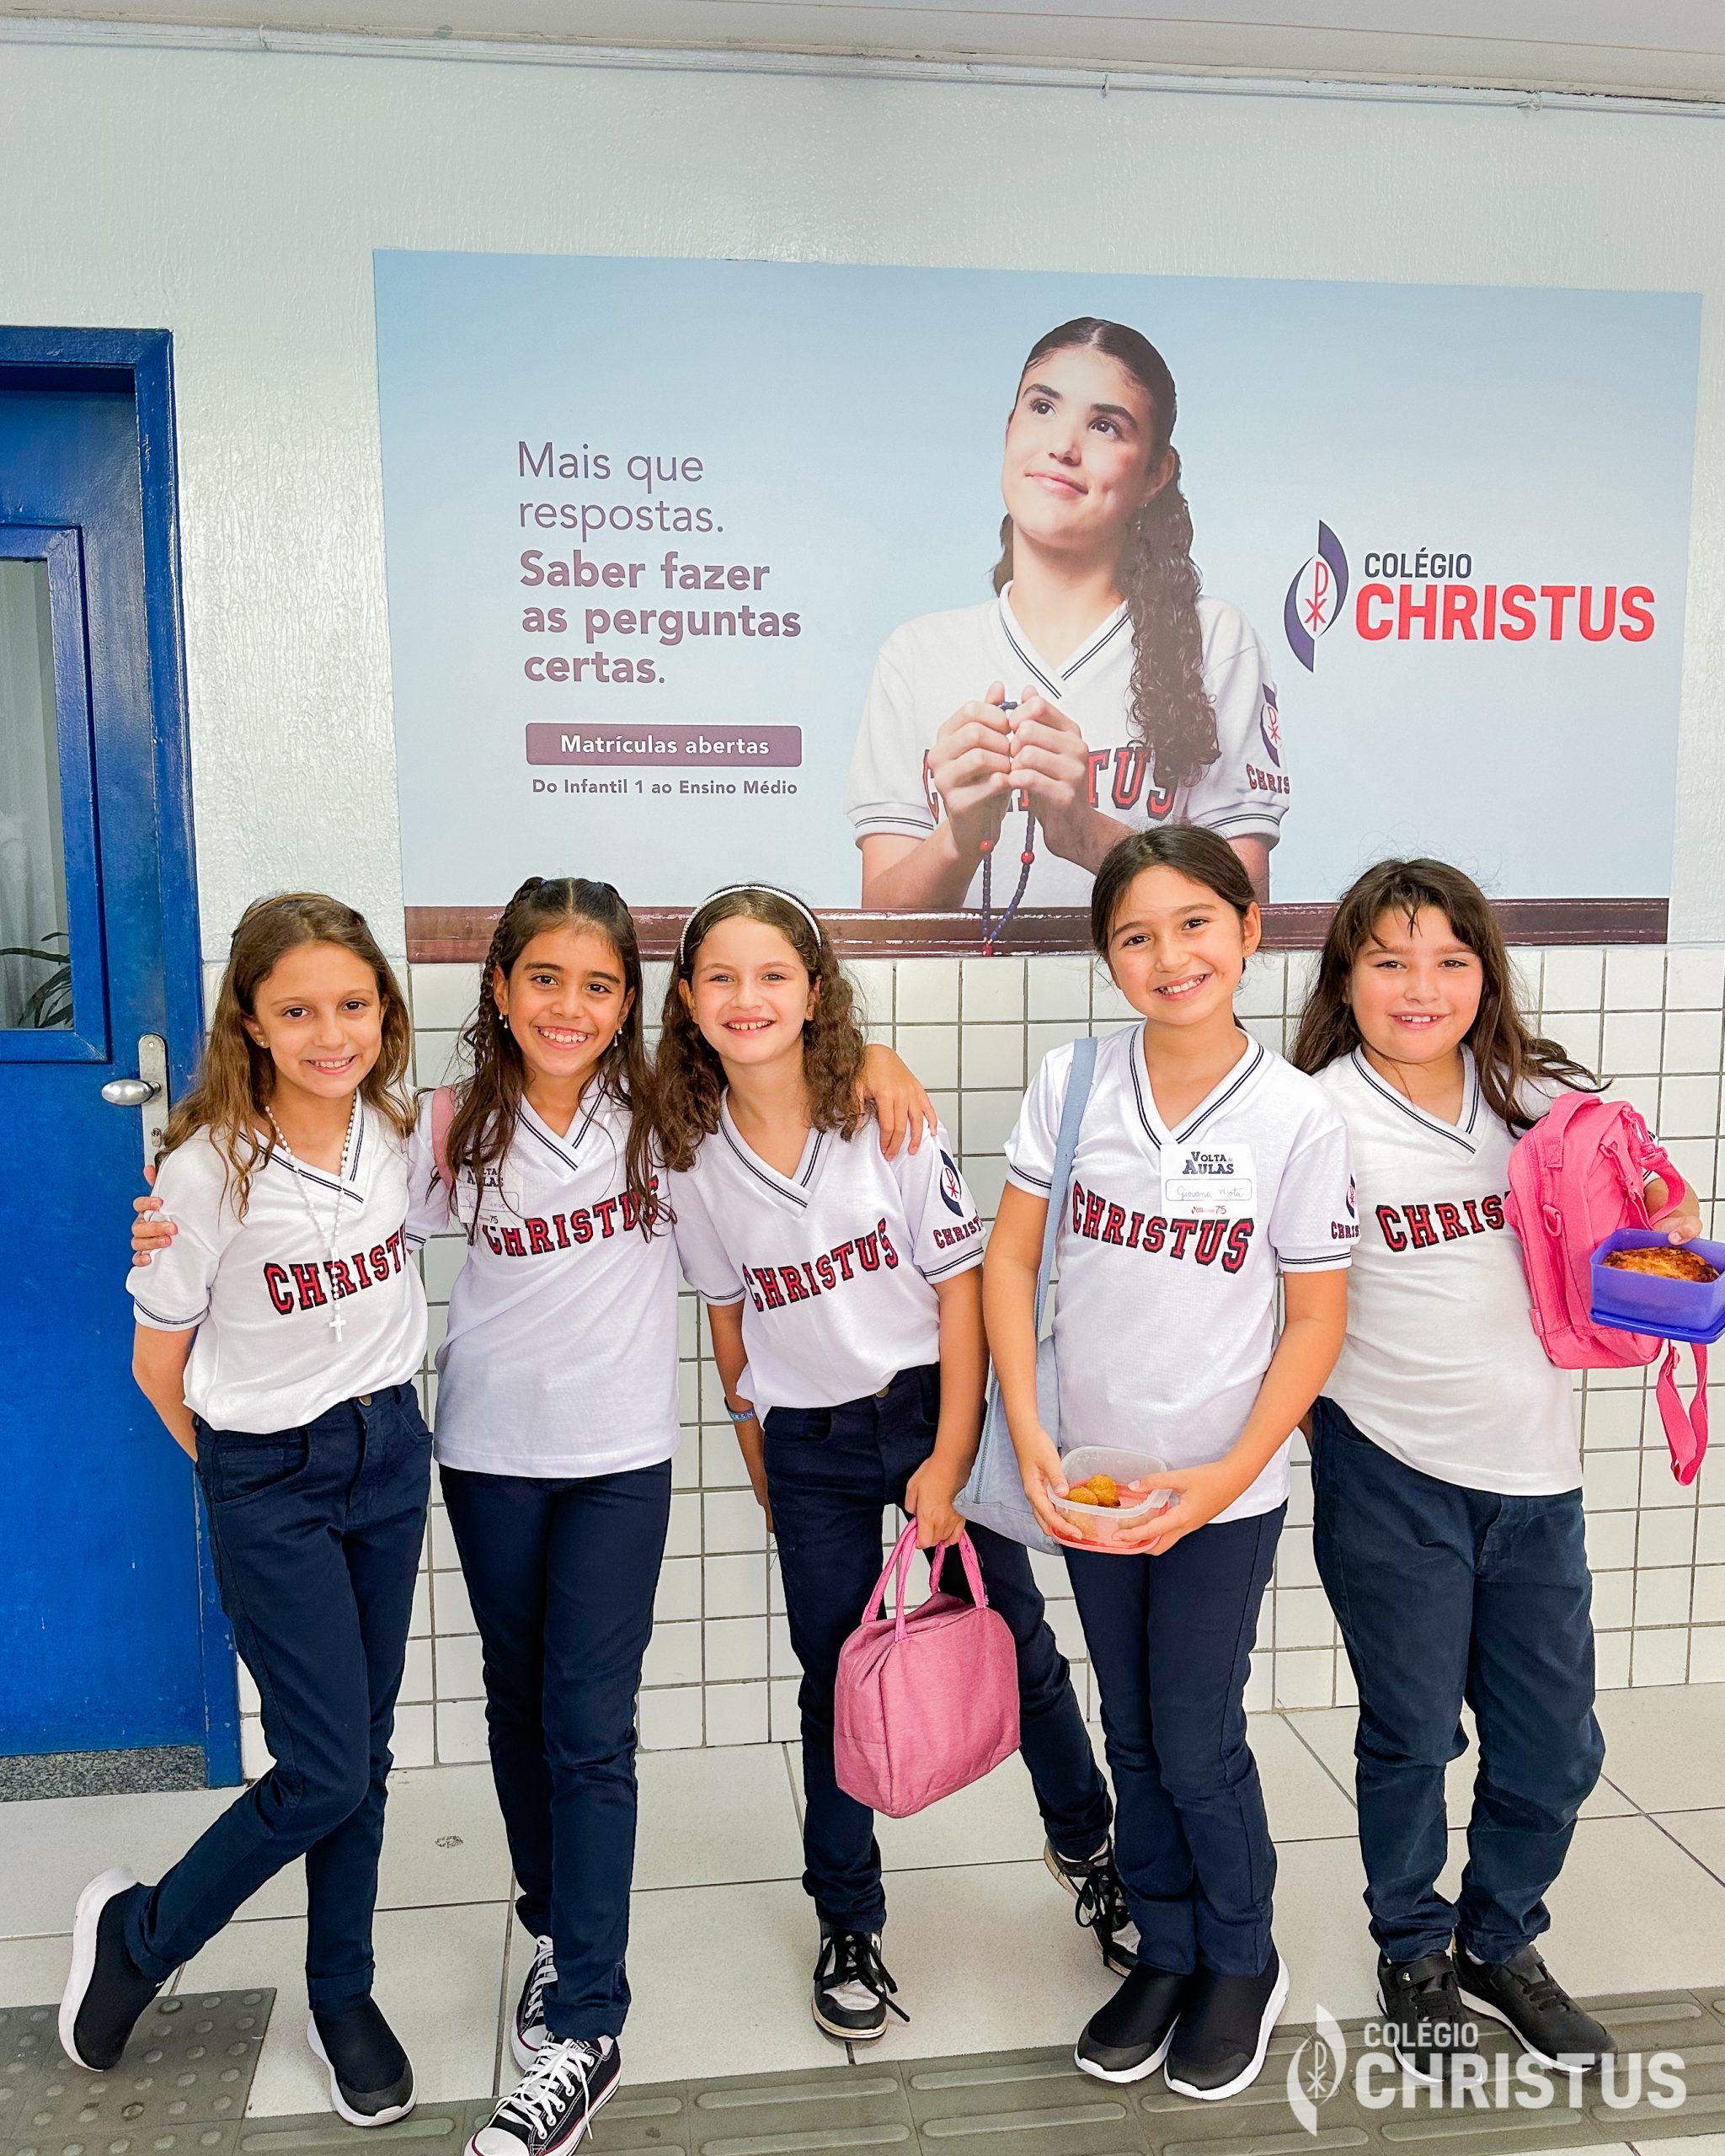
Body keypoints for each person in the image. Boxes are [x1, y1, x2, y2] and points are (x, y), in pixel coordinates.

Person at [127, 875, 938, 2155]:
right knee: (517, 1702)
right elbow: (307, 1181)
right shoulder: (443, 1129)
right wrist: (178, 1205)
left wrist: (876, 1056)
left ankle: (589, 2021)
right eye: (543, 979)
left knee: (591, 1725)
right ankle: (554, 1930)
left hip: (621, 1461)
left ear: (631, 1003)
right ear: (498, 989)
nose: (569, 1007)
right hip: (487, 1458)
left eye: (599, 986)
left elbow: (785, 1081)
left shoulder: (668, 1117)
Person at [658, 883, 1125, 2042]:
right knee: (835, 1678)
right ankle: (848, 1917)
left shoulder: (884, 1117)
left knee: (1015, 1641)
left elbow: (962, 1292)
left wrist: (953, 1457)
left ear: (815, 992)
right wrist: (758, 1453)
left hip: (928, 1411)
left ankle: (1091, 1849)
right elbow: (729, 1319)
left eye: (774, 974)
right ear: (688, 1001)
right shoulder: (691, 1155)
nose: (748, 998)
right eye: (721, 978)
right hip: (808, 1444)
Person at [1286, 860, 1702, 2079]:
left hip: (1534, 1477)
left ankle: (1498, 1939)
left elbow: (1648, 1202)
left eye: (1449, 961)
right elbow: (1275, 1300)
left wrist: (1668, 1225)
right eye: (1389, 961)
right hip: (1387, 1469)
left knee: (1556, 1748)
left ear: (1485, 975)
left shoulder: (1538, 1098)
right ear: (1345, 978)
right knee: (1413, 1735)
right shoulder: (1310, 1117)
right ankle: (1413, 1948)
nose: (1420, 987)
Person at [985, 827, 1353, 2100]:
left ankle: (1242, 1956)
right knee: (1131, 1733)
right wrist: (1031, 1433)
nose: (1170, 955)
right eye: (1135, 935)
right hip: (1089, 1479)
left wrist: (1226, 1474)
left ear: (1248, 929)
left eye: (1195, 923)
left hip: (1219, 1491)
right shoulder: (1074, 1081)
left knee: (1195, 1735)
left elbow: (1314, 1320)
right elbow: (1012, 1259)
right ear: (1108, 957)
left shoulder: (1296, 1115)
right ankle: (1167, 1943)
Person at [67, 894, 430, 2128]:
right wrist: (238, 1477)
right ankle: (140, 1938)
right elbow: (155, 1366)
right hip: (269, 1476)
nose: (332, 1034)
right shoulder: (206, 1170)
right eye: (298, 1011)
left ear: (383, 1009)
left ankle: (341, 1993)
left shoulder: (396, 1131)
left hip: (391, 1453)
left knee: (360, 1752)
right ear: (253, 1023)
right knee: (325, 1768)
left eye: (352, 1005)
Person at [846, 317, 1285, 944]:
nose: (1063, 446)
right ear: (1009, 428)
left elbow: (1244, 911)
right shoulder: (917, 654)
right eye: (1043, 407)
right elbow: (882, 931)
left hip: (1149, 1004)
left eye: (1105, 426)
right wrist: (960, 839)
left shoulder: (1214, 640)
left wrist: (1084, 832)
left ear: (1155, 473)